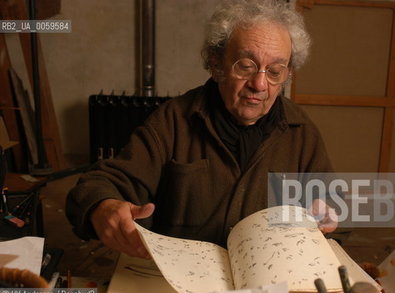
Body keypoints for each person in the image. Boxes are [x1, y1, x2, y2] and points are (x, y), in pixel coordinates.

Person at [66, 0, 336, 259]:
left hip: (266, 282)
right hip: (183, 285)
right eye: (245, 66)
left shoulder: (300, 131)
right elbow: (98, 184)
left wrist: (327, 212)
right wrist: (103, 207)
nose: (259, 84)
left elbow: (331, 200)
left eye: (275, 71)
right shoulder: (174, 120)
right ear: (217, 63)